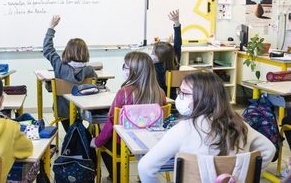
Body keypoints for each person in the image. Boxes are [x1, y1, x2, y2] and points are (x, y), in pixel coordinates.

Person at [137, 72, 276, 183]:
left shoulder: (184, 128)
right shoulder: (240, 124)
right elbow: (269, 150)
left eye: (184, 93)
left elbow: (145, 167)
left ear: (203, 97)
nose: (179, 97)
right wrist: (245, 176)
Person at [90, 51, 166, 182]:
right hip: (150, 144)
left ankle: (116, 177)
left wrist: (97, 141)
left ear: (134, 71)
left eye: (125, 66)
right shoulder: (160, 93)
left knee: (99, 136)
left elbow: (111, 124)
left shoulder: (124, 93)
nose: (123, 69)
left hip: (124, 144)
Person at [43, 15, 97, 131]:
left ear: (67, 52)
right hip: (84, 110)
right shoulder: (90, 71)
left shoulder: (59, 66)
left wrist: (51, 27)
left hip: (63, 110)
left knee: (69, 123)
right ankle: (81, 133)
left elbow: (48, 49)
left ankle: (72, 134)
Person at [151, 10, 182, 99]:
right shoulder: (175, 62)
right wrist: (176, 22)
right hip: (174, 101)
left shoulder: (153, 67)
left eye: (153, 53)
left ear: (159, 56)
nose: (151, 55)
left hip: (158, 101)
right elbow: (178, 44)